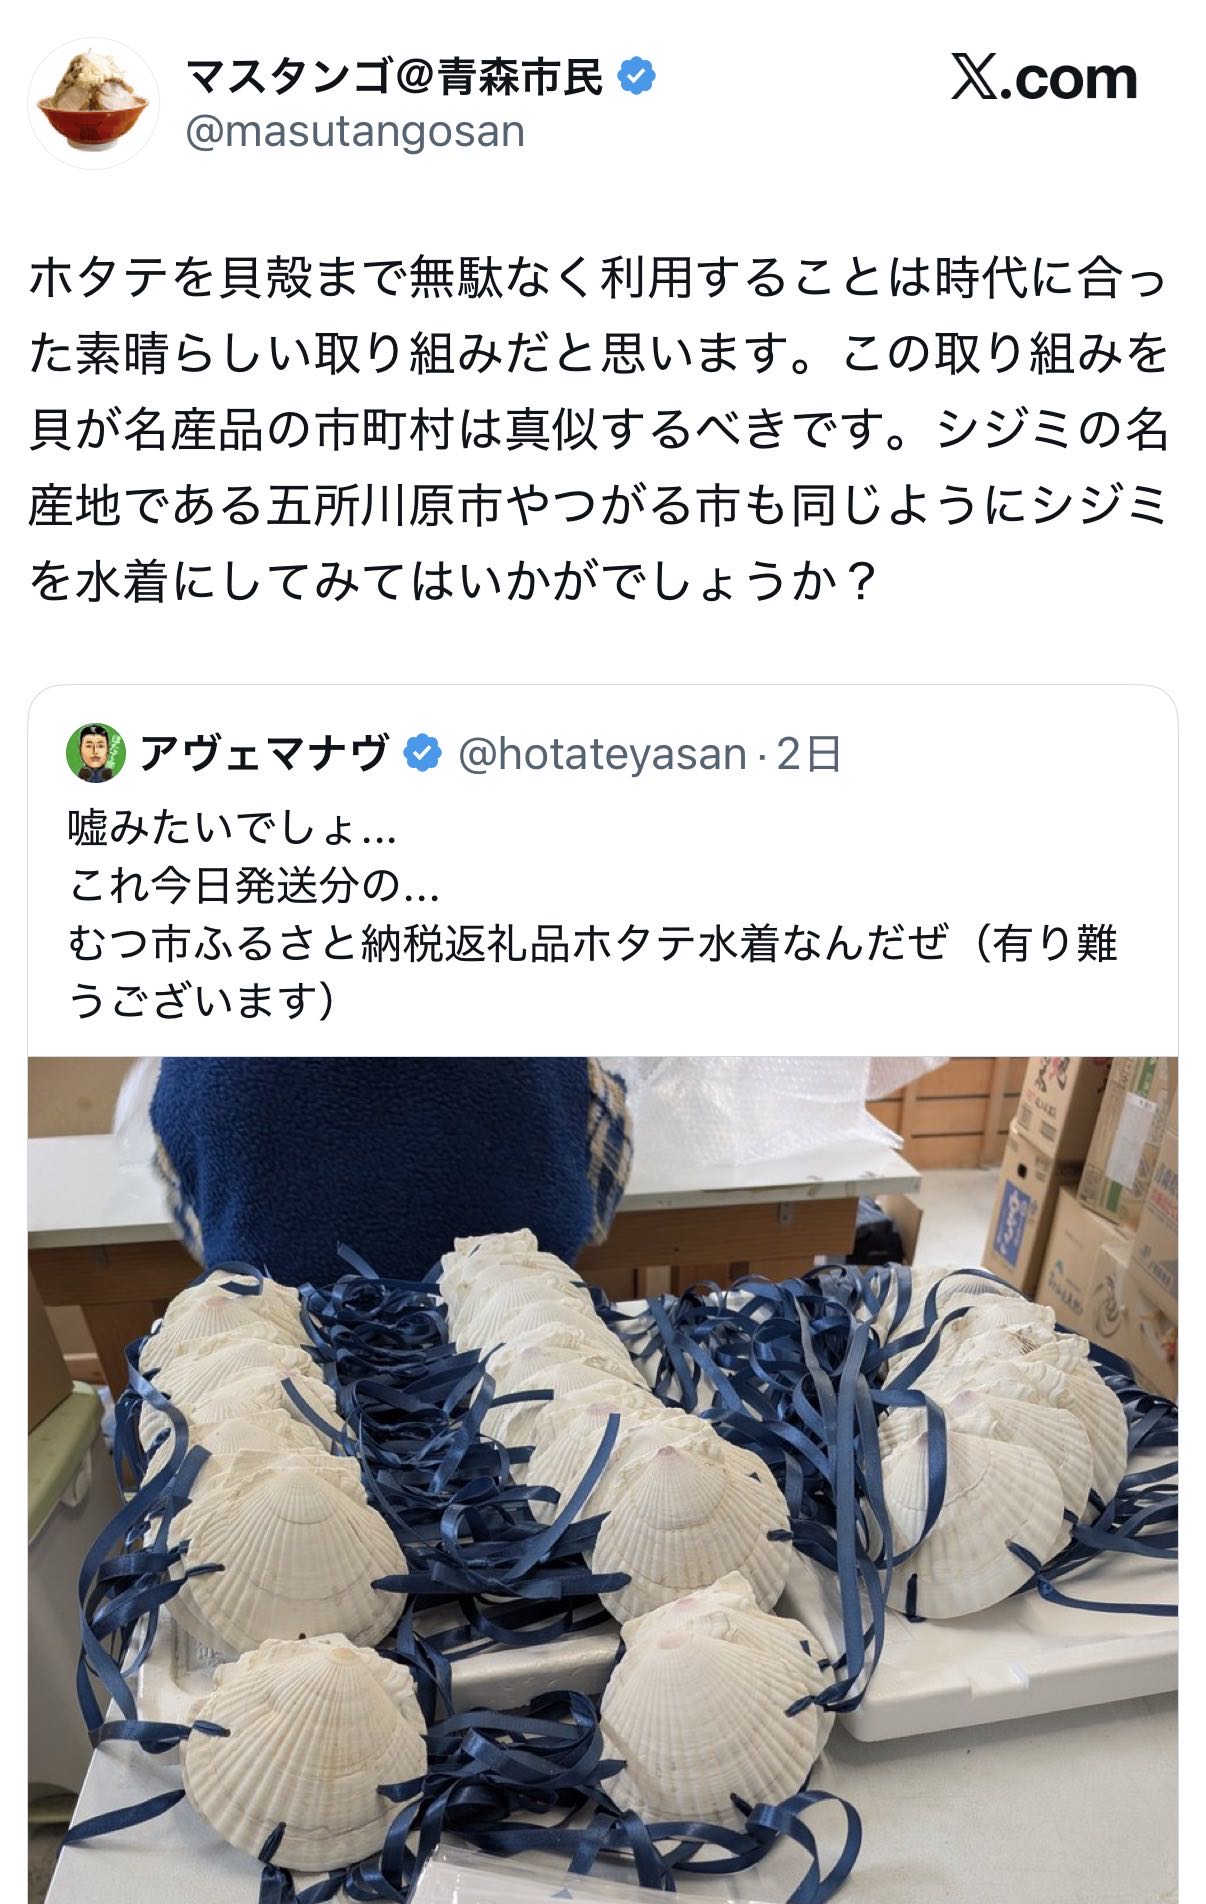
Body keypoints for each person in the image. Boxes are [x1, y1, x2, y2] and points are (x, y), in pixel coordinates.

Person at [149, 1057, 632, 1285]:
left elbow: (204, 1233)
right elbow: (596, 1213)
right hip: (530, 1378)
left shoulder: (195, 1068)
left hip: (278, 1395)